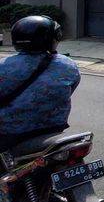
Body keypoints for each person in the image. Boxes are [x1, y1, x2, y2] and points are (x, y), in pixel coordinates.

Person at [0, 16, 80, 152]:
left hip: (10, 133)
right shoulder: (68, 65)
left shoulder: (4, 66)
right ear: (53, 39)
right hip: (54, 129)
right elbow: (71, 88)